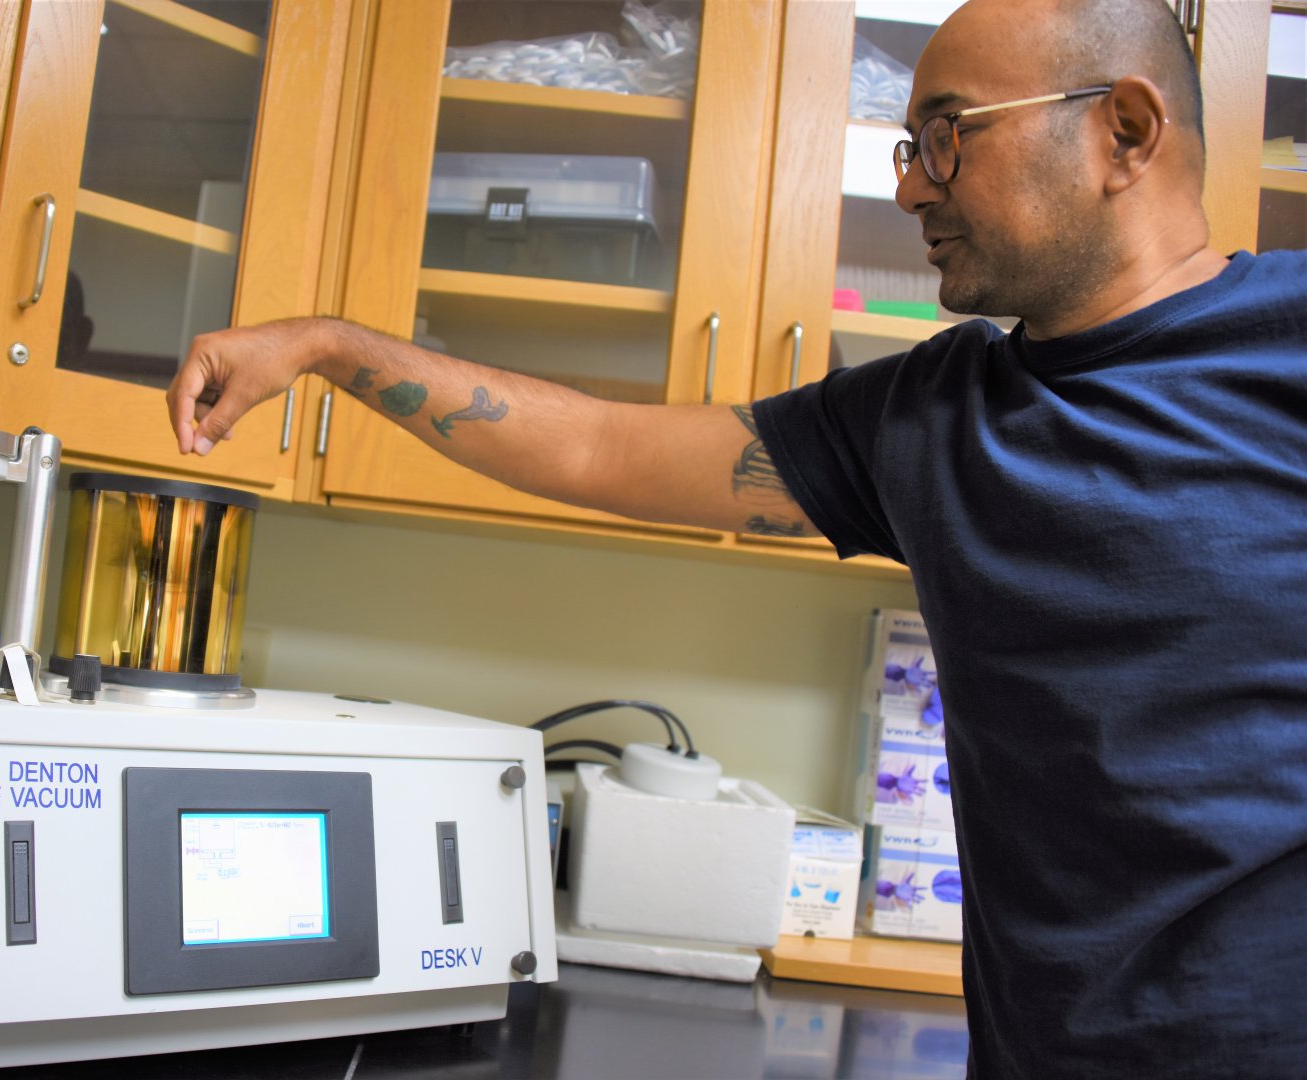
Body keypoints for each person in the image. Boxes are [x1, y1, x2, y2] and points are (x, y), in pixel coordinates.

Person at [167, 0, 1306, 1074]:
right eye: (907, 148)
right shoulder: (925, 422)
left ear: (1125, 129)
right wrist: (325, 347)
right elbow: (599, 449)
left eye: (945, 135)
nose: (912, 187)